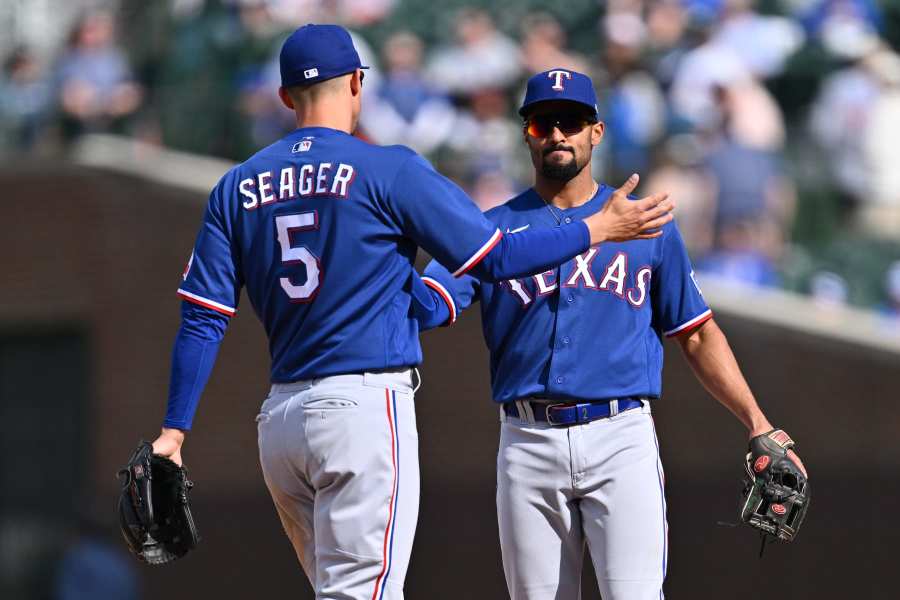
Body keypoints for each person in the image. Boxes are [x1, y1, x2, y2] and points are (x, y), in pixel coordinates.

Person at [146, 26, 673, 600]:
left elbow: (203, 318)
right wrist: (597, 228)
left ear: (284, 98)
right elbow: (497, 258)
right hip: (360, 410)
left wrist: (174, 431)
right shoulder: (386, 169)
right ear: (356, 84)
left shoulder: (235, 187)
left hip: (280, 424)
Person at [416, 68, 807, 600]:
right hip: (527, 438)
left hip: (619, 435)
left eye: (572, 121)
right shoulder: (490, 231)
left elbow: (695, 332)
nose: (557, 134)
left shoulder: (646, 225)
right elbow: (427, 305)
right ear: (526, 132)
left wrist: (758, 423)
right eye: (543, 123)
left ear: (595, 132)